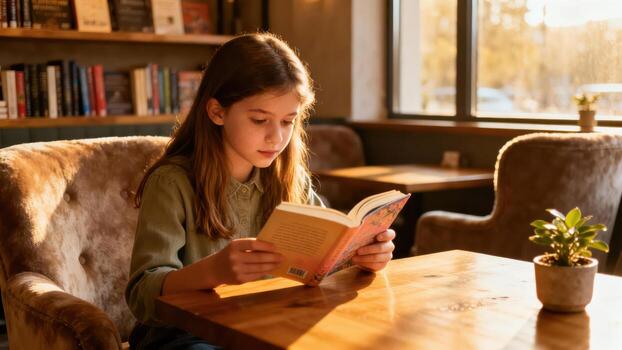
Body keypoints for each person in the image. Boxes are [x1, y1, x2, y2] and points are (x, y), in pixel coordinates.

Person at [125, 32, 396, 349]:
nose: (276, 138)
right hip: (186, 336)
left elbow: (325, 260)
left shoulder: (289, 178)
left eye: (287, 121)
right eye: (259, 120)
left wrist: (362, 256)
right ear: (217, 112)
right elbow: (142, 296)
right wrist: (214, 271)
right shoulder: (173, 183)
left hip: (267, 326)